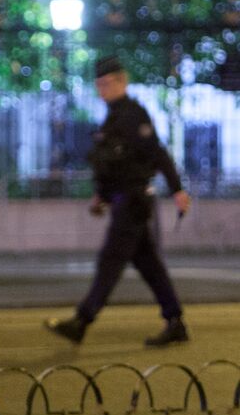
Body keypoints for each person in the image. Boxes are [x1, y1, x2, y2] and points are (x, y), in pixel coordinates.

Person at [45, 55, 192, 347]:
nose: (102, 90)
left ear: (122, 81)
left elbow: (156, 153)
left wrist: (178, 190)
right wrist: (102, 195)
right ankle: (175, 321)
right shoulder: (113, 117)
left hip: (134, 201)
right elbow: (112, 163)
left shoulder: (133, 115)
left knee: (110, 261)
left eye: (107, 83)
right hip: (124, 199)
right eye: (98, 85)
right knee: (149, 265)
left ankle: (82, 321)